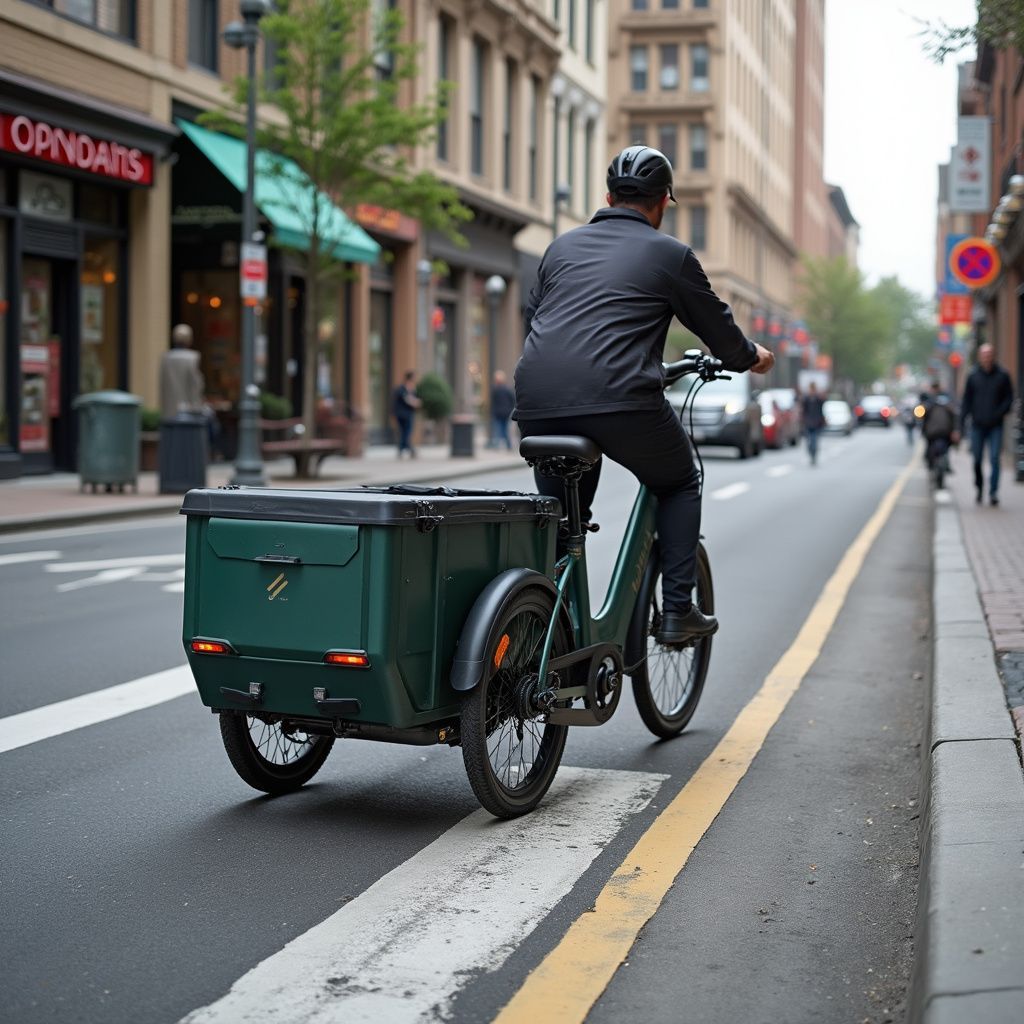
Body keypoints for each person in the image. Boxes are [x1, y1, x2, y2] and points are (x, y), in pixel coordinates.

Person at [514, 145, 774, 645]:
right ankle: (677, 612)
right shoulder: (670, 254)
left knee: (560, 524)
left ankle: (543, 629)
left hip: (539, 403)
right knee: (679, 481)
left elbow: (537, 323)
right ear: (662, 204)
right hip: (621, 400)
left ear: (608, 196)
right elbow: (720, 335)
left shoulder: (560, 248)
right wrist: (753, 357)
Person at [960, 343, 1014, 506]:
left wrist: (999, 413)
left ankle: (993, 492)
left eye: (989, 354)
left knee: (995, 458)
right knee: (976, 459)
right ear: (979, 357)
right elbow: (966, 401)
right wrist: (961, 425)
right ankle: (979, 487)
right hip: (977, 425)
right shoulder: (973, 376)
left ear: (993, 356)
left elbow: (1009, 398)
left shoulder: (1003, 375)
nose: (987, 357)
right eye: (984, 355)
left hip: (995, 425)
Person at [159, 324, 204, 420]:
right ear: (189, 339)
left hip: (168, 412)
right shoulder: (193, 357)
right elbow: (196, 384)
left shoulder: (166, 358)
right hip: (189, 412)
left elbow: (162, 385)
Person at [921, 381, 959, 488]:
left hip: (940, 432)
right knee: (930, 451)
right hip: (935, 433)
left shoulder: (944, 400)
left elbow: (954, 414)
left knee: (943, 450)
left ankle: (943, 465)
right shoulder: (930, 401)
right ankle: (934, 465)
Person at [391, 370, 421, 458]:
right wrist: (416, 402)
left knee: (406, 432)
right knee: (405, 432)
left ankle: (404, 449)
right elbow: (408, 400)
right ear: (409, 379)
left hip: (409, 414)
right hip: (402, 414)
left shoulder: (412, 389)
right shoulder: (401, 389)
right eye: (413, 378)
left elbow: (415, 400)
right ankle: (409, 448)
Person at [489, 371, 516, 450]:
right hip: (506, 413)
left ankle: (498, 446)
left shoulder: (495, 390)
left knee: (498, 430)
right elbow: (513, 400)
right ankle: (508, 446)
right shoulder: (507, 389)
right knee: (504, 430)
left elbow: (493, 402)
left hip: (499, 413)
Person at [801, 382, 825, 466]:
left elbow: (822, 410)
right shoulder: (806, 399)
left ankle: (814, 456)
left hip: (816, 423)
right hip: (808, 423)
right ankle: (811, 453)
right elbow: (803, 411)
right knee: (808, 442)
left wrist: (822, 420)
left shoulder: (818, 399)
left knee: (814, 441)